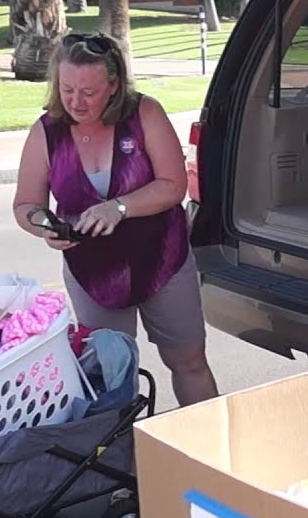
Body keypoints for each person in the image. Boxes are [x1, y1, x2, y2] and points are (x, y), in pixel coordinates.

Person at [11, 32, 218, 405]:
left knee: (188, 360)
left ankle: (211, 449)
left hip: (162, 262)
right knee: (110, 373)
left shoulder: (144, 114)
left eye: (88, 92)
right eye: (67, 89)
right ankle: (120, 456)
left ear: (114, 85)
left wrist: (118, 207)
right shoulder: (47, 132)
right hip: (93, 274)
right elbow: (26, 204)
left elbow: (174, 186)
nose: (76, 101)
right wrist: (44, 225)